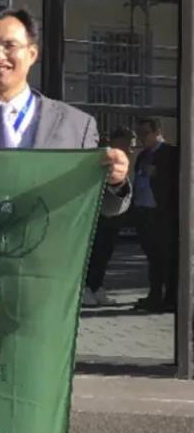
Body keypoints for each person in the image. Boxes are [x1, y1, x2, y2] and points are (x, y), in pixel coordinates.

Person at [0, 6, 131, 218]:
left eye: (9, 45)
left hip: (46, 240)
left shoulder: (76, 125)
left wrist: (115, 181)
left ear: (32, 54)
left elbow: (104, 206)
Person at [83, 126, 135, 307]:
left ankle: (97, 287)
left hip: (116, 213)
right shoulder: (103, 158)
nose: (130, 149)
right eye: (128, 144)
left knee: (106, 252)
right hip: (98, 213)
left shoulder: (126, 159)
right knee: (94, 253)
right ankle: (86, 288)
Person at [131, 117, 180, 312]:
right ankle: (155, 295)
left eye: (145, 133)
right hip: (145, 212)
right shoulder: (143, 155)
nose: (141, 137)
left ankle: (171, 299)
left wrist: (158, 174)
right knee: (153, 258)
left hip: (164, 214)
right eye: (139, 133)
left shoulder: (171, 153)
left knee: (168, 257)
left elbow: (177, 182)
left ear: (157, 132)